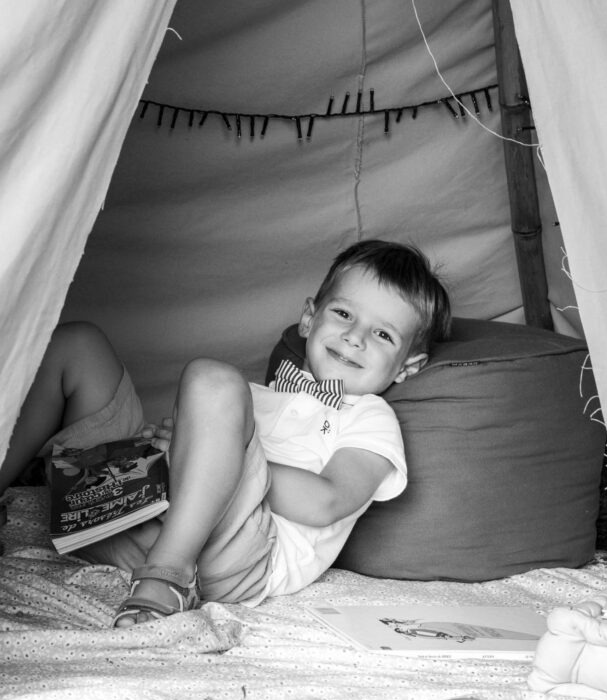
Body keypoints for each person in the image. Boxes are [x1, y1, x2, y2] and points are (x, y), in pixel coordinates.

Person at [0, 239, 451, 627]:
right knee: (79, 344)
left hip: (241, 557)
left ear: (409, 366)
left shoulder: (369, 416)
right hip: (145, 514)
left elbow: (326, 502)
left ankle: (168, 575)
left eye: (383, 335)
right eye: (344, 313)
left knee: (212, 377)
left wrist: (212, 456)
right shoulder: (259, 394)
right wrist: (177, 452)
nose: (355, 337)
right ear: (310, 318)